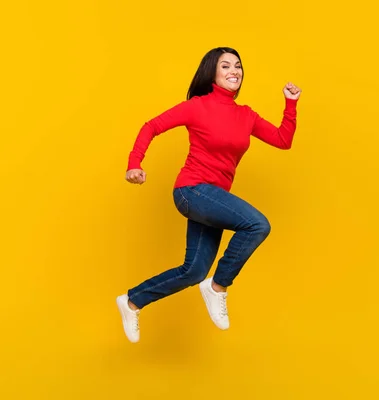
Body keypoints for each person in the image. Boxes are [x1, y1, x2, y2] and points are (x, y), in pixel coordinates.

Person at [116, 47, 302, 343]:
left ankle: (132, 301)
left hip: (212, 198)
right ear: (212, 73)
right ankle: (218, 286)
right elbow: (151, 126)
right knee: (257, 224)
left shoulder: (246, 115)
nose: (234, 71)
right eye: (225, 66)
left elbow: (282, 140)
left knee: (193, 271)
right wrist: (134, 164)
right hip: (191, 190)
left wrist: (290, 104)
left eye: (238, 66)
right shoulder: (198, 106)